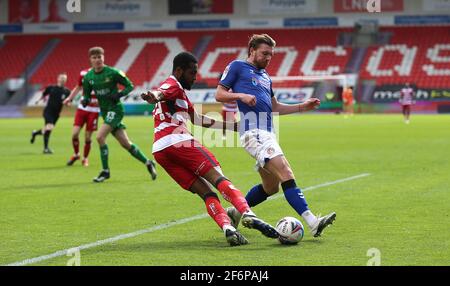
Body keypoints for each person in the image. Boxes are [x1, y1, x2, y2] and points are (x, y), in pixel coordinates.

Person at [141, 52, 279, 246]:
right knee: (219, 178)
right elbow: (160, 92)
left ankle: (228, 227)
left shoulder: (180, 94)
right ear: (179, 71)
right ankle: (248, 213)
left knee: (207, 194)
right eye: (192, 72)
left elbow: (198, 119)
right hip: (178, 141)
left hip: (160, 151)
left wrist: (233, 126)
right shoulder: (172, 85)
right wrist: (153, 96)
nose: (195, 77)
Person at [216, 34, 336, 238]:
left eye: (271, 55)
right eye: (264, 53)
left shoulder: (265, 77)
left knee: (271, 187)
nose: (268, 58)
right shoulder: (237, 66)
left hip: (267, 133)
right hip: (254, 133)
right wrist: (240, 95)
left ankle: (235, 212)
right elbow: (219, 94)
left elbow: (274, 107)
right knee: (286, 172)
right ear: (252, 50)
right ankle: (313, 222)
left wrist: (302, 107)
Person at [81, 47, 157, 182]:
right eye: (94, 57)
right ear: (90, 60)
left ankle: (105, 171)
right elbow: (86, 94)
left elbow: (130, 85)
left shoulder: (113, 73)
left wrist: (119, 94)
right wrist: (86, 100)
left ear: (103, 57)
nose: (98, 60)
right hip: (104, 112)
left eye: (100, 57)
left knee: (99, 137)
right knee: (125, 143)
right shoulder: (88, 77)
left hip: (115, 109)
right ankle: (148, 162)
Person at [63, 68, 98, 167]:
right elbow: (78, 87)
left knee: (87, 137)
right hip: (82, 108)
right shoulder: (83, 73)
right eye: (93, 57)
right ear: (91, 59)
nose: (96, 60)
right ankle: (76, 154)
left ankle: (85, 158)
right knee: (74, 134)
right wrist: (69, 98)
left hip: (94, 110)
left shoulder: (103, 73)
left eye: (98, 57)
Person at [30, 73, 70, 154]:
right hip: (48, 111)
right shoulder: (51, 88)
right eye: (61, 78)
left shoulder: (67, 91)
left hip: (56, 114)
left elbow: (69, 102)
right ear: (58, 79)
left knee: (48, 131)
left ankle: (43, 145)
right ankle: (42, 143)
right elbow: (44, 94)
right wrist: (38, 100)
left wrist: (67, 103)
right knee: (50, 127)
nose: (63, 80)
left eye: (64, 78)